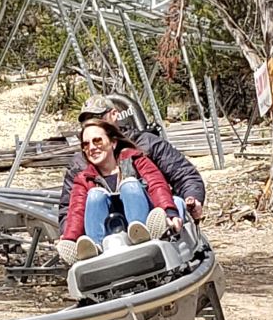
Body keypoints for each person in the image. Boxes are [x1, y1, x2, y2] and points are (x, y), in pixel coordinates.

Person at [58, 94, 206, 228]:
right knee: (94, 197)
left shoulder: (146, 144)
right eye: (86, 121)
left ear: (114, 114)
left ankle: (150, 232)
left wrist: (191, 198)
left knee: (132, 188)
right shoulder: (80, 163)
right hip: (109, 228)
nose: (93, 124)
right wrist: (67, 234)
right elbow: (70, 206)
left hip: (154, 215)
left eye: (97, 117)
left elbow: (182, 174)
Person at [56, 120, 182, 264]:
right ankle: (94, 249)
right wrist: (69, 238)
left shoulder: (135, 161)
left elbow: (157, 185)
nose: (91, 147)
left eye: (97, 141)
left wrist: (169, 211)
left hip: (141, 221)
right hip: (108, 238)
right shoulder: (84, 178)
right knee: (94, 195)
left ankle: (142, 234)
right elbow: (76, 210)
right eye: (86, 144)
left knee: (129, 185)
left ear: (113, 143)